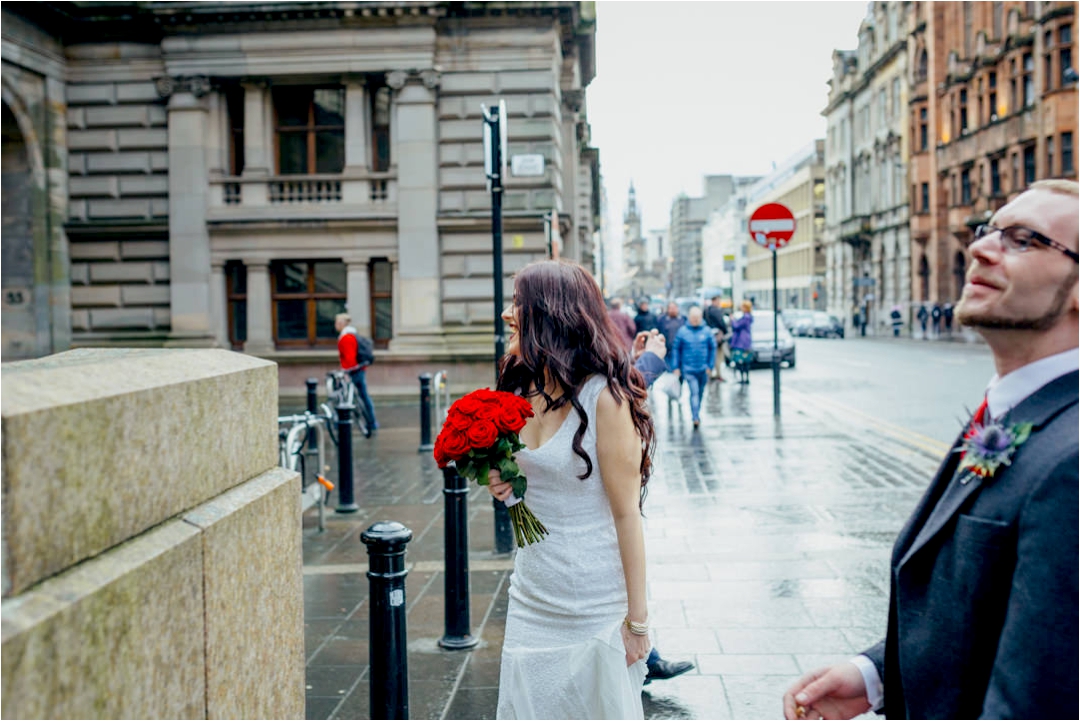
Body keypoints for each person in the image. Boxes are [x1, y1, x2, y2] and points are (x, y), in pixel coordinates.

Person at [782, 179, 1079, 720]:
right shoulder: (1017, 411)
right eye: (990, 231)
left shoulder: (1073, 460)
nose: (980, 247)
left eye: (1024, 239)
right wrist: (875, 674)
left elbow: (1045, 696)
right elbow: (986, 613)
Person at [487, 260, 656, 718]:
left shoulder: (605, 398)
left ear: (549, 313)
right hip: (532, 598)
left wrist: (637, 621)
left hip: (595, 606)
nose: (507, 314)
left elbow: (627, 515)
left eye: (518, 303)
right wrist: (501, 482)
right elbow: (528, 482)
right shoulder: (517, 388)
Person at [671, 307, 716, 429]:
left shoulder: (707, 331)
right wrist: (676, 367)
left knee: (700, 393)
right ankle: (695, 416)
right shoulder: (682, 331)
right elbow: (676, 349)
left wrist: (710, 366)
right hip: (688, 369)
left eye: (697, 318)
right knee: (694, 392)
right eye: (693, 318)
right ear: (689, 318)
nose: (695, 320)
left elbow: (713, 348)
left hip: (703, 369)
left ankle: (697, 412)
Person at [334, 313, 378, 430]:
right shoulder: (352, 335)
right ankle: (371, 422)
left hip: (353, 372)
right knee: (363, 396)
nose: (335, 325)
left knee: (348, 397)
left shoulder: (346, 338)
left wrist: (346, 372)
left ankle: (343, 421)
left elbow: (349, 358)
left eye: (337, 322)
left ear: (342, 324)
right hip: (358, 370)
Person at [704, 296, 730, 381]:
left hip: (708, 336)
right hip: (717, 337)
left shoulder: (706, 310)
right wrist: (725, 332)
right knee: (718, 356)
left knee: (711, 355)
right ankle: (717, 374)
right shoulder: (716, 310)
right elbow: (721, 322)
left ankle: (711, 373)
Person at [729, 300, 754, 384]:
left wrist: (732, 320)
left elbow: (736, 326)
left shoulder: (746, 317)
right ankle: (745, 378)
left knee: (741, 360)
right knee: (745, 361)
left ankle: (744, 378)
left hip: (741, 342)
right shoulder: (747, 317)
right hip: (745, 341)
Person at [656, 302, 686, 371]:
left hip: (681, 350)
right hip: (668, 351)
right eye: (670, 308)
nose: (672, 310)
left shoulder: (683, 319)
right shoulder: (662, 320)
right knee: (670, 371)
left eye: (674, 308)